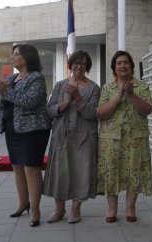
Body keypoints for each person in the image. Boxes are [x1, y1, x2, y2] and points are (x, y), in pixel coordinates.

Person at [43, 50, 100, 224]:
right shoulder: (60, 85)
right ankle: (59, 209)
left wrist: (77, 97)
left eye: (83, 63)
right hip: (61, 136)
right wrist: (66, 102)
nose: (79, 66)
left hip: (84, 138)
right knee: (59, 172)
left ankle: (76, 209)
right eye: (76, 63)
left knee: (80, 172)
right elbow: (50, 110)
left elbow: (92, 114)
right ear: (71, 65)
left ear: (87, 67)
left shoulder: (94, 88)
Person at [0, 44, 51, 227]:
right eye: (13, 54)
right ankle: (23, 203)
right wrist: (2, 94)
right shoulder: (11, 78)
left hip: (33, 130)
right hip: (13, 129)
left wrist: (6, 92)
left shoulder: (36, 78)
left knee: (31, 168)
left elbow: (30, 101)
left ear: (27, 57)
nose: (13, 57)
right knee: (17, 167)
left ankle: (35, 209)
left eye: (17, 54)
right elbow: (1, 101)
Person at [97, 50, 152, 223]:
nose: (123, 65)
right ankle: (112, 208)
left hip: (136, 138)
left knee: (134, 172)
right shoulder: (107, 88)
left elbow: (147, 110)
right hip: (111, 139)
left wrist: (130, 94)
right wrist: (119, 95)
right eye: (119, 63)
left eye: (126, 62)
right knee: (111, 171)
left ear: (131, 66)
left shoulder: (141, 86)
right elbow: (101, 113)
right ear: (114, 68)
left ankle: (130, 207)